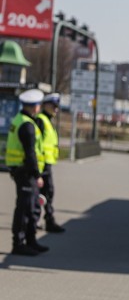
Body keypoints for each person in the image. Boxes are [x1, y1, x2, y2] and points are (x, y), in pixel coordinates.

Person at [6, 89, 48, 255]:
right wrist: (37, 175)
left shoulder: (21, 119)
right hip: (25, 171)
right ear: (34, 107)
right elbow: (30, 153)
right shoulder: (27, 125)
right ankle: (19, 243)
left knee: (31, 207)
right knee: (24, 208)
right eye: (38, 104)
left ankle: (30, 240)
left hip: (21, 170)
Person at [35, 92, 65, 233]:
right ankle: (39, 220)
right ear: (45, 105)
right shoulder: (41, 120)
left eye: (57, 107)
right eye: (53, 106)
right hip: (41, 164)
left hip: (47, 163)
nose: (56, 109)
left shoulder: (48, 120)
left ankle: (46, 219)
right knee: (42, 193)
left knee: (47, 192)